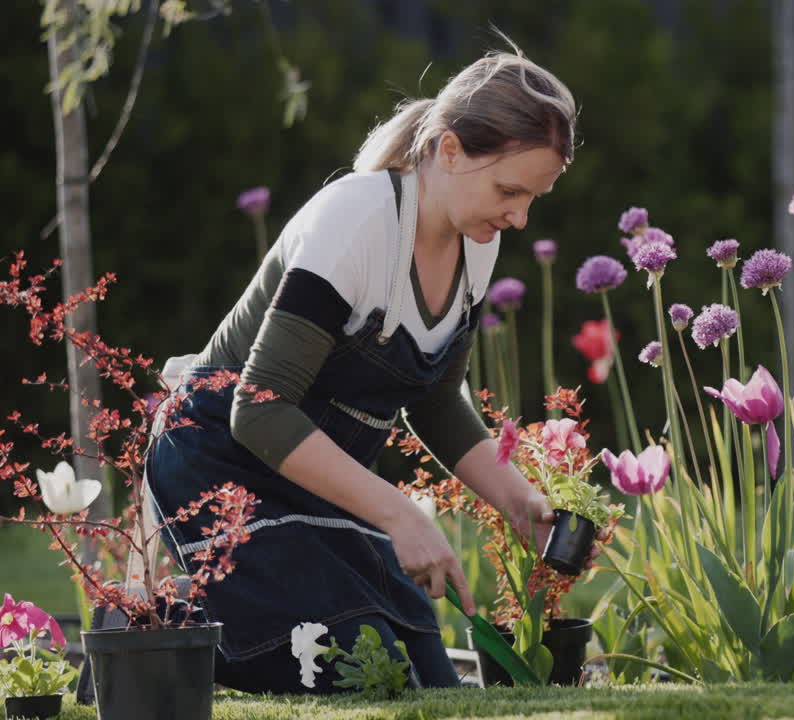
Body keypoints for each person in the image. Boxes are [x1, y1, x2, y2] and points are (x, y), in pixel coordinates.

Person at [144, 46, 592, 692]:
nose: (519, 217)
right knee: (355, 658)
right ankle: (151, 629)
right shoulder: (357, 221)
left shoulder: (478, 245)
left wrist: (516, 497)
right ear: (448, 151)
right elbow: (261, 408)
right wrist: (400, 516)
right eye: (510, 191)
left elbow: (435, 401)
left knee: (420, 668)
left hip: (312, 482)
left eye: (533, 199)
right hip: (217, 463)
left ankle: (189, 623)